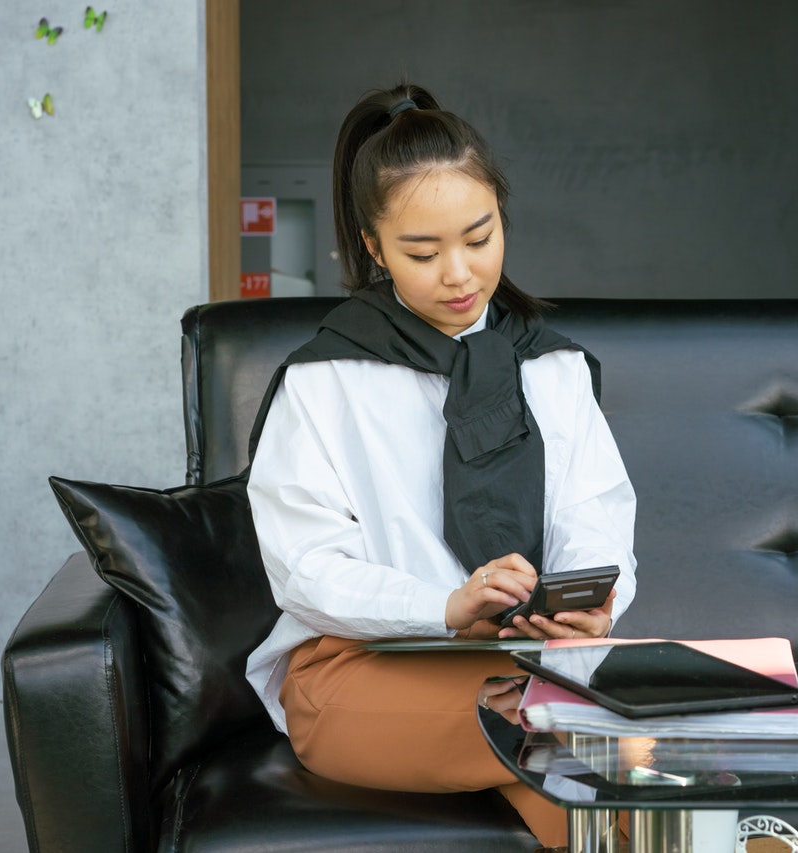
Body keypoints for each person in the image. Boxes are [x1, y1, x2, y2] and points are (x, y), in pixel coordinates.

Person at [244, 82, 637, 849]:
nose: (459, 274)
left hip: (525, 664)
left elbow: (596, 514)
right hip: (352, 669)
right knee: (571, 727)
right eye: (423, 252)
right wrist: (445, 607)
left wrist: (593, 601)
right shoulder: (325, 380)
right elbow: (306, 567)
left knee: (592, 736)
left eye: (479, 237)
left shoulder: (550, 368)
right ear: (372, 247)